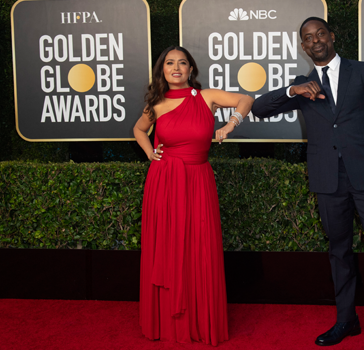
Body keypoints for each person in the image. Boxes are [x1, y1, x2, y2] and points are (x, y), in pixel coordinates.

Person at [251, 18, 364, 349]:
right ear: (303, 47)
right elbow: (258, 108)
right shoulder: (303, 85)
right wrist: (292, 90)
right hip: (328, 180)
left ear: (332, 36)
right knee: (338, 251)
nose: (315, 41)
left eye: (320, 34)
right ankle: (346, 320)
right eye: (308, 38)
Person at [134, 46, 253, 345]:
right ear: (162, 69)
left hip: (198, 181)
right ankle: (167, 320)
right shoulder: (157, 103)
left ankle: (199, 320)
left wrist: (230, 124)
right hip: (164, 182)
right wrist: (151, 153)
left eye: (182, 63)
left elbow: (246, 99)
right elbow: (138, 129)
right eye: (170, 63)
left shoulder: (206, 97)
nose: (176, 67)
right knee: (169, 245)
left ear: (191, 69)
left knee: (199, 246)